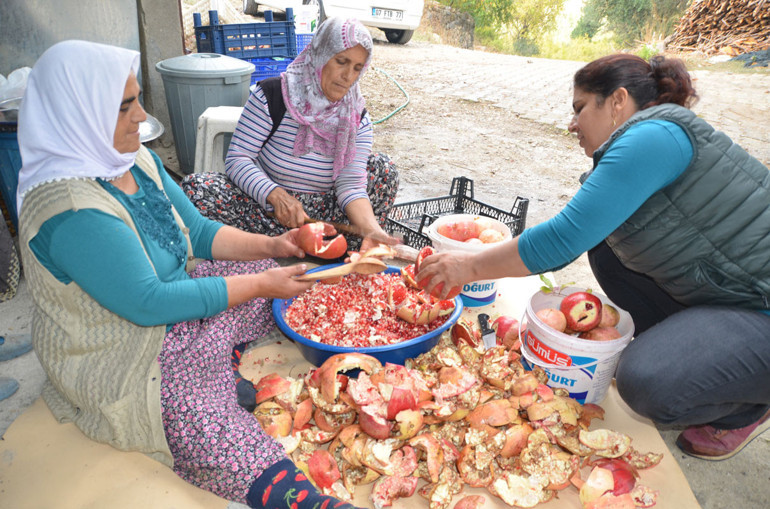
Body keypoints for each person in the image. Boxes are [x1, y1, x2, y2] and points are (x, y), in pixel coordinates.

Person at [16, 40, 360, 509]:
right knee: (196, 416)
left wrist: (274, 247)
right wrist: (260, 284)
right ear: (78, 114)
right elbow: (149, 303)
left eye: (137, 99)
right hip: (127, 354)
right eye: (124, 106)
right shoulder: (70, 209)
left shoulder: (131, 158)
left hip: (173, 310)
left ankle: (214, 367)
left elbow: (197, 232)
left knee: (264, 270)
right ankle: (293, 492)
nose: (141, 116)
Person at [417, 53, 770, 461]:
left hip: (759, 304)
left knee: (644, 380)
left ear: (617, 101)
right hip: (734, 292)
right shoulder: (649, 138)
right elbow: (582, 228)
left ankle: (744, 409)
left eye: (580, 108)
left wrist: (469, 265)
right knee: (606, 249)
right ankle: (700, 353)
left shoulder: (654, 138)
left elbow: (562, 238)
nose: (572, 124)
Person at [181, 17, 400, 254]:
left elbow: (351, 185)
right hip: (265, 212)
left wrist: (371, 228)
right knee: (197, 188)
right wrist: (274, 194)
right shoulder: (272, 95)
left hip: (324, 221)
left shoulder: (356, 116)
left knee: (383, 168)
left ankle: (350, 247)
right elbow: (238, 159)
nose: (348, 76)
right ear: (320, 55)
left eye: (357, 68)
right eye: (341, 61)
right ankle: (265, 247)